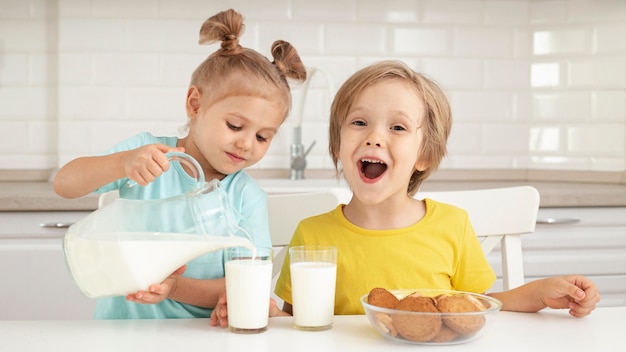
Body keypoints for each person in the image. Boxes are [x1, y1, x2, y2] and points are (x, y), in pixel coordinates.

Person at [269, 60, 600, 319]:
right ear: (338, 144)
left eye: (397, 127)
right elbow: (296, 325)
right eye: (359, 122)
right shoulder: (311, 236)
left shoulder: (452, 226)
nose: (373, 136)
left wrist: (541, 293)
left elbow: (479, 307)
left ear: (424, 155)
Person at [54, 8, 306, 319]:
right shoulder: (148, 154)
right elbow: (63, 184)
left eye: (263, 137)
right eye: (235, 126)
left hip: (200, 339)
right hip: (122, 334)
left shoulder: (247, 198)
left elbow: (243, 284)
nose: (246, 144)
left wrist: (174, 287)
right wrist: (122, 163)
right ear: (195, 104)